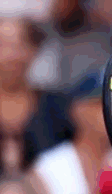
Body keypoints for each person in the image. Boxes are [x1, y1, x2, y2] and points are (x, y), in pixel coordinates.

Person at [0, 17, 72, 176]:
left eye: (19, 45)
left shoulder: (57, 107)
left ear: (34, 50)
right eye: (2, 45)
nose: (11, 55)